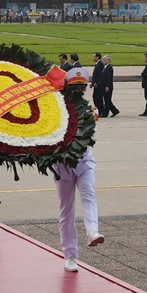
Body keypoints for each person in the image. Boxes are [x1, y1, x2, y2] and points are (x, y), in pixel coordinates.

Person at [53, 67, 104, 273]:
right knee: (66, 210)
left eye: (82, 87)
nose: (80, 90)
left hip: (84, 162)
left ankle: (93, 231)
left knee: (89, 194)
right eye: (75, 87)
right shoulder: (57, 111)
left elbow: (89, 136)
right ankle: (70, 255)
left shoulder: (92, 111)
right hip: (63, 166)